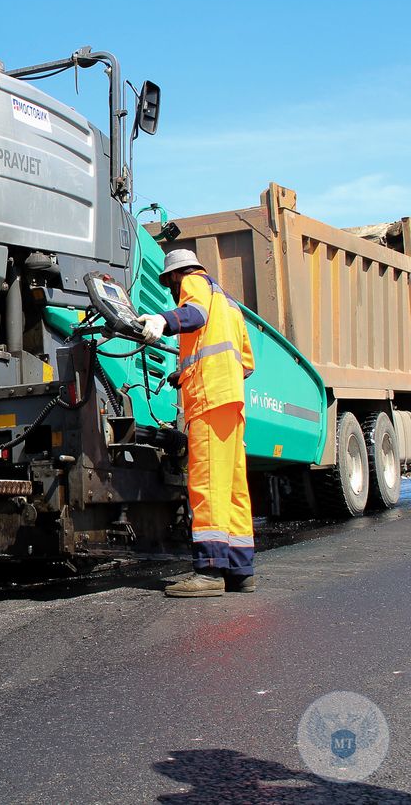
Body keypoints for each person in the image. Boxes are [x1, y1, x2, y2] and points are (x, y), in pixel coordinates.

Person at [140, 249, 256, 597]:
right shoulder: (230, 304)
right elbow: (247, 363)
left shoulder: (194, 282)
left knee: (206, 485)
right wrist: (186, 370)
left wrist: (162, 320)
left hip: (208, 399)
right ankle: (240, 571)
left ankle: (208, 572)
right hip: (231, 402)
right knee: (233, 488)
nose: (174, 291)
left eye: (169, 284)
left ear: (175, 276)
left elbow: (194, 314)